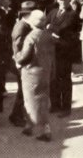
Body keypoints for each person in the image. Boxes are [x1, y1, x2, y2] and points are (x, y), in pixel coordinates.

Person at [15, 10, 55, 142]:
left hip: (31, 74)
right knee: (43, 101)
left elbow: (24, 57)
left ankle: (39, 128)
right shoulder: (48, 35)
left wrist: (16, 57)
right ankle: (34, 127)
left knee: (30, 102)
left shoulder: (31, 36)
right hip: (45, 72)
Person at [46, 0, 81, 118]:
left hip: (65, 52)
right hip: (53, 51)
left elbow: (63, 28)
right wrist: (51, 29)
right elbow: (45, 25)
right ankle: (55, 105)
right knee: (53, 78)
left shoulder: (72, 14)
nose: (62, 2)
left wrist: (51, 28)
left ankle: (65, 107)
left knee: (64, 79)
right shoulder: (53, 12)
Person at [9, 1, 37, 127]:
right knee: (23, 91)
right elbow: (17, 46)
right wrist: (19, 62)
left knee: (23, 90)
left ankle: (17, 114)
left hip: (23, 62)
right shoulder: (22, 27)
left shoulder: (24, 25)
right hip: (22, 63)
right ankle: (16, 116)